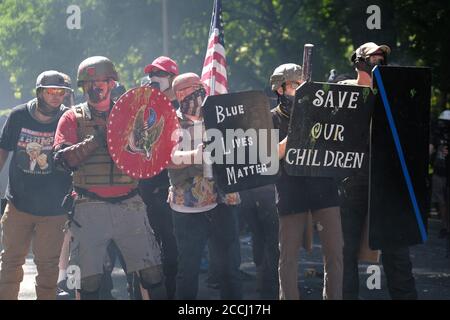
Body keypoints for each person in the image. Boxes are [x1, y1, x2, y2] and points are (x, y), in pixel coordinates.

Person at [53, 56, 163, 300]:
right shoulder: (72, 118)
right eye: (89, 82)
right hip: (89, 207)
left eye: (101, 81)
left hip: (129, 204)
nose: (95, 86)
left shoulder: (132, 115)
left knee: (152, 275)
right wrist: (95, 141)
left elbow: (152, 155)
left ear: (112, 83)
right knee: (88, 282)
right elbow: (61, 160)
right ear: (82, 86)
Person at [339, 42, 418, 300]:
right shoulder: (343, 92)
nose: (380, 63)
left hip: (386, 184)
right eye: (375, 58)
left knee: (397, 254)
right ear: (360, 62)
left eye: (383, 58)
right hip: (352, 183)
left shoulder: (394, 95)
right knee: (345, 253)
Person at [168, 72, 242, 300]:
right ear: (177, 95)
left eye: (196, 89)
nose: (192, 96)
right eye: (184, 92)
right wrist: (194, 155)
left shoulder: (218, 116)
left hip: (223, 200)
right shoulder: (170, 121)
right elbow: (165, 159)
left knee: (230, 267)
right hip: (188, 205)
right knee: (188, 270)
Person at [273, 63, 344, 300]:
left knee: (335, 253)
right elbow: (268, 156)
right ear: (280, 89)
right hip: (291, 191)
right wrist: (294, 131)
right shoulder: (270, 118)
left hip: (324, 189)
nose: (299, 88)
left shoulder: (321, 112)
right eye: (294, 84)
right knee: (288, 257)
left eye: (302, 84)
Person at [0, 70, 73, 300]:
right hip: (18, 205)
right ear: (39, 92)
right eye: (50, 91)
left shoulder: (69, 118)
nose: (55, 96)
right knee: (10, 263)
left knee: (48, 268)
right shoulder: (19, 115)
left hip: (54, 210)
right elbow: (3, 150)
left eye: (60, 92)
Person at [138, 56, 180, 299]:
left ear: (172, 79)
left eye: (160, 74)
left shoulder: (184, 107)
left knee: (173, 249)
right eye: (152, 75)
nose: (154, 78)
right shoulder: (144, 108)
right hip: (147, 186)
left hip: (175, 186)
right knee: (144, 249)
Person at [239, 185, 279, 299]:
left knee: (258, 236)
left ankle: (261, 281)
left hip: (247, 191)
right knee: (272, 239)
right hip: (266, 191)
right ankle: (273, 283)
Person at [430, 110, 450, 239]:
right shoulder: (437, 135)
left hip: (447, 174)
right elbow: (431, 149)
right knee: (441, 201)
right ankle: (445, 227)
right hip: (438, 172)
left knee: (446, 201)